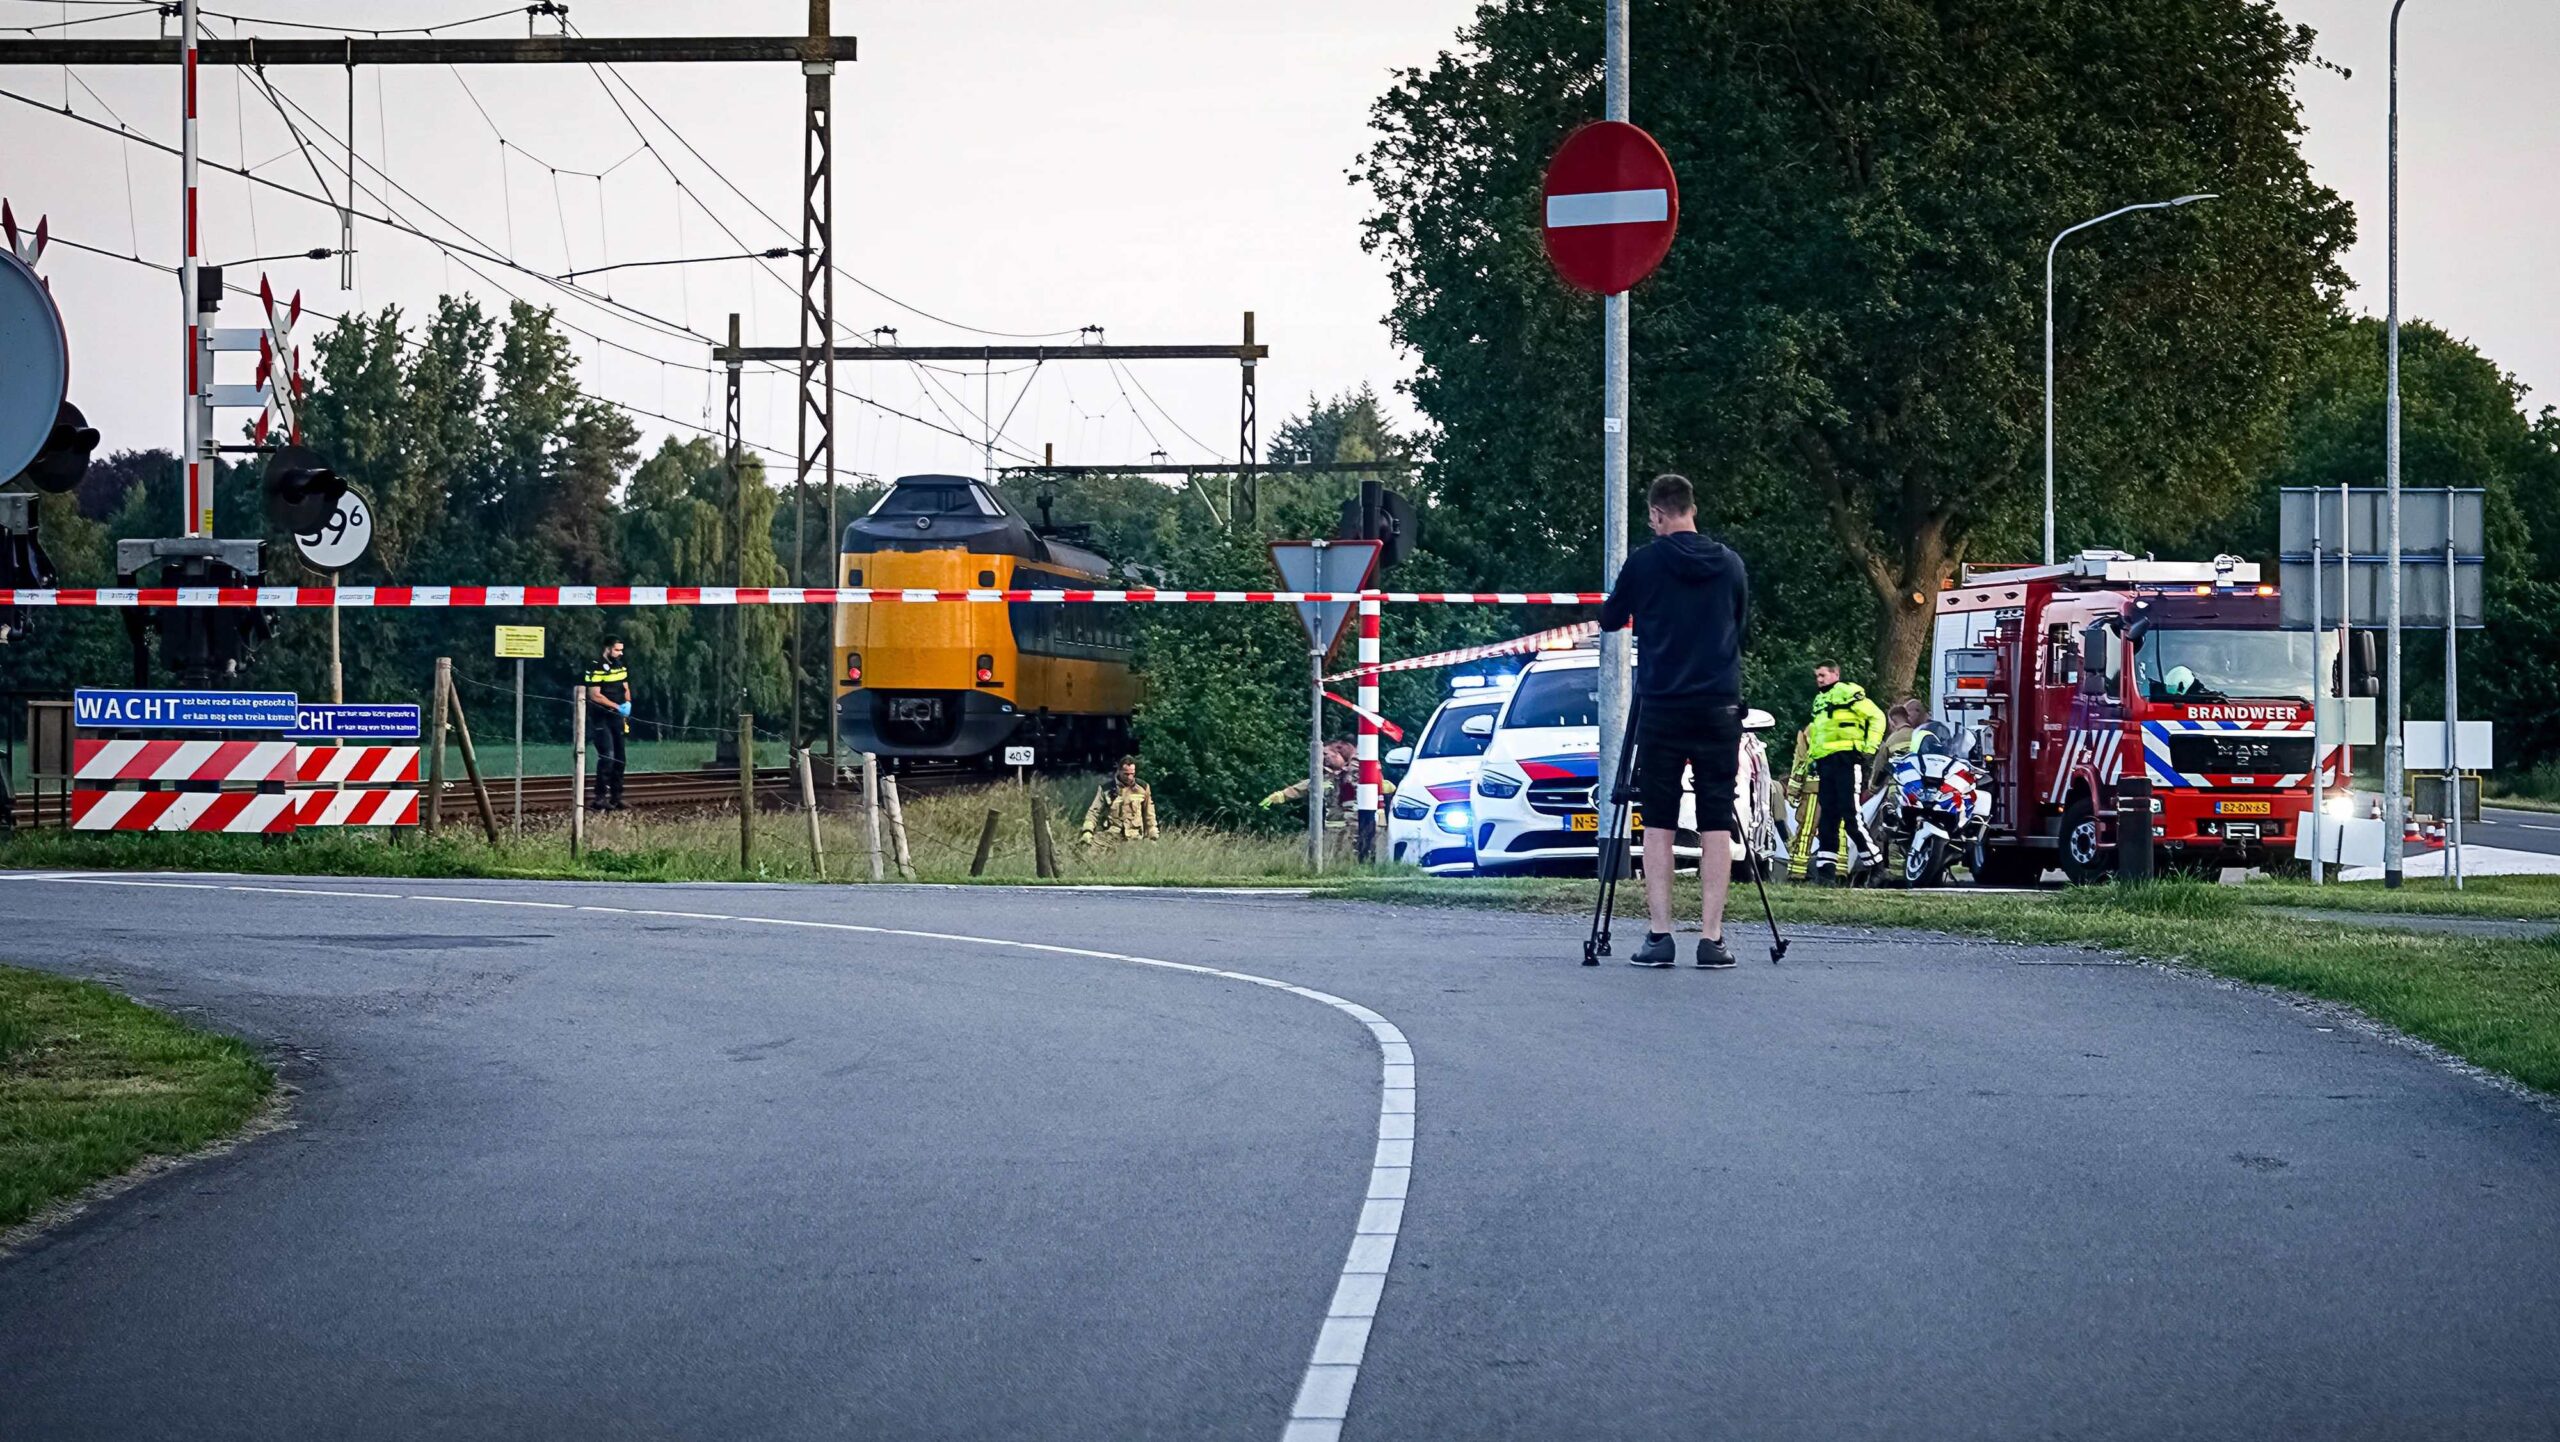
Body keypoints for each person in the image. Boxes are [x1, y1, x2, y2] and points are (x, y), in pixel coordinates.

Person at [1597, 473, 1751, 969]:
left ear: (1658, 514)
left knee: (1659, 820)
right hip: (1719, 706)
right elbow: (1741, 624)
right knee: (1715, 820)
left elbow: (1610, 618)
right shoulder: (1730, 564)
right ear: (1693, 508)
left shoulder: (1645, 563)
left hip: (1662, 704)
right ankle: (1712, 937)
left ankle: (1660, 935)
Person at [1806, 661, 1886, 882]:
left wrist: (1869, 748)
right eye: (1817, 676)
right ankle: (1825, 874)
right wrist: (1813, 759)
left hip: (1846, 761)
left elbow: (1877, 717)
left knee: (1851, 816)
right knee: (1828, 820)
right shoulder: (1820, 701)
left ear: (1836, 674)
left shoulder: (1849, 693)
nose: (1819, 680)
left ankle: (1877, 866)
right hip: (1826, 763)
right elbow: (1819, 734)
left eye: (1822, 675)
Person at [582, 637, 632, 812]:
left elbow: (625, 687)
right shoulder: (595, 666)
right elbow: (595, 695)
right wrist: (617, 707)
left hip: (617, 718)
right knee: (607, 756)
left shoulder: (620, 665)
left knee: (620, 758)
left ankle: (617, 798)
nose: (620, 653)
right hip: (601, 718)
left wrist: (628, 704)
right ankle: (600, 798)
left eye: (621, 650)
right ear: (608, 649)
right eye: (617, 650)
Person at [1081, 755, 1160, 844]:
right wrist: (1087, 831)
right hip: (1110, 836)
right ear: (1119, 771)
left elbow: (1149, 814)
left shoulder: (1143, 788)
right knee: (1088, 851)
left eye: (1132, 774)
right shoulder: (1106, 789)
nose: (1129, 777)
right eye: (1126, 774)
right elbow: (1093, 812)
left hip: (1135, 837)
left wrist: (1152, 834)